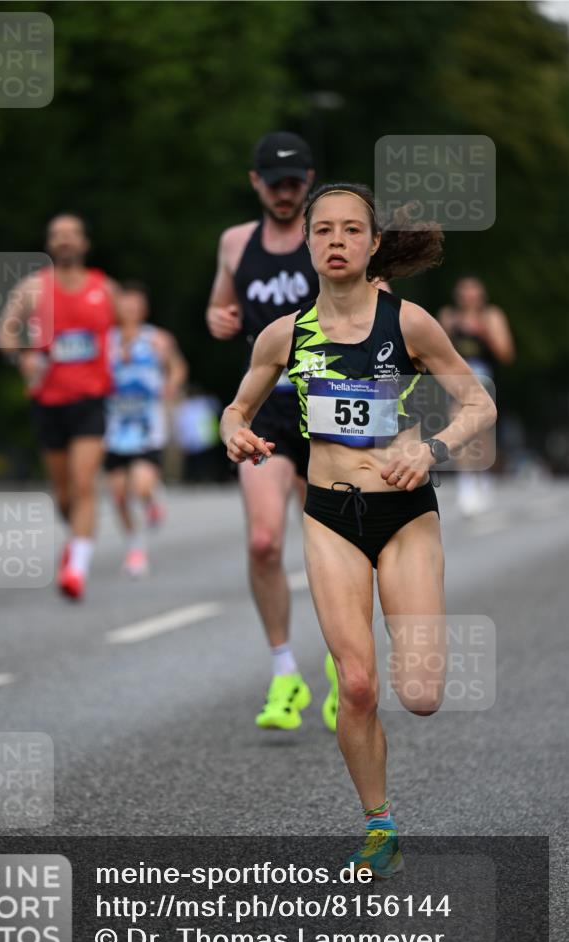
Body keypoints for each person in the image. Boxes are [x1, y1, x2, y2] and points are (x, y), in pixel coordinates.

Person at [221, 183, 496, 876]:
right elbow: (237, 408)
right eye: (323, 230)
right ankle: (380, 826)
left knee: (421, 695)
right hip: (329, 518)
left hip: (403, 516)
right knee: (358, 686)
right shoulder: (284, 334)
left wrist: (427, 449)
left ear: (373, 244)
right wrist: (236, 434)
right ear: (307, 243)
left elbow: (477, 404)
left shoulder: (408, 324)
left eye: (350, 230)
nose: (335, 241)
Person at [207, 131, 342, 732]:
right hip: (264, 406)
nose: (286, 193)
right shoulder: (236, 243)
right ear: (255, 182)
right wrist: (219, 317)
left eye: (294, 182)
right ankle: (285, 672)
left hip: (332, 406)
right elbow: (222, 310)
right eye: (274, 182)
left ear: (308, 180)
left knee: (333, 545)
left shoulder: (331, 236)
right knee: (265, 542)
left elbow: (373, 297)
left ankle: (345, 664)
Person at [0, 213, 123, 600]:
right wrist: (22, 356)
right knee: (65, 495)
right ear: (50, 245)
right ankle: (76, 540)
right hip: (49, 402)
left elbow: (130, 329)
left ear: (85, 243)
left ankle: (77, 569)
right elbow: (4, 329)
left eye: (71, 235)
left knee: (85, 483)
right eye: (57, 236)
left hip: (91, 399)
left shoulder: (106, 289)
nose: (65, 241)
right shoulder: (33, 288)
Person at [104, 281, 188, 577]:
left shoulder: (157, 339)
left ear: (143, 309)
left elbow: (178, 368)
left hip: (147, 426)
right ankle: (134, 542)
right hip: (113, 427)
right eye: (125, 304)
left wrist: (171, 385)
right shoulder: (105, 341)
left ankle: (149, 504)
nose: (130, 309)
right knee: (116, 495)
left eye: (135, 305)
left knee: (138, 485)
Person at [438, 276, 515, 515]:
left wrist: (485, 332)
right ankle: (467, 483)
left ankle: (483, 476)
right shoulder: (449, 317)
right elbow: (436, 350)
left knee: (481, 433)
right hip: (458, 382)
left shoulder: (492, 317)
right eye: (465, 293)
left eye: (474, 293)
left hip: (484, 381)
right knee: (460, 429)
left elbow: (506, 353)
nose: (469, 298)